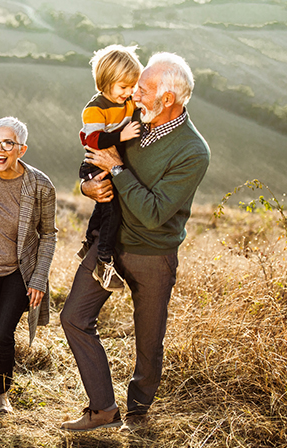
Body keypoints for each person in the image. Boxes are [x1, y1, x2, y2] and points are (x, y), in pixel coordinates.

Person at [60, 52, 210, 432]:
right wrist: (88, 186)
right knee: (74, 317)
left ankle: (138, 411)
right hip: (108, 243)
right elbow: (95, 156)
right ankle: (103, 409)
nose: (134, 96)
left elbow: (154, 212)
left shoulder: (192, 151)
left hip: (152, 254)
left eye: (142, 90)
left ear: (168, 99)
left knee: (148, 340)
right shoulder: (133, 121)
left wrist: (117, 168)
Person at [0, 116, 57, 413]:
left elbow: (49, 234)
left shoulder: (40, 185)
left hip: (20, 271)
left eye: (8, 143)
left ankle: (0, 392)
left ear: (22, 149)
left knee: (2, 332)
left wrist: (39, 278)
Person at [77, 44, 143, 292]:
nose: (128, 92)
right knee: (112, 210)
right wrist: (121, 136)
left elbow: (137, 108)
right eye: (123, 87)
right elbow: (92, 140)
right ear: (105, 82)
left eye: (132, 87)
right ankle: (103, 261)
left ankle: (88, 243)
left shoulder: (125, 101)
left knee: (104, 207)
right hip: (94, 164)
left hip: (108, 160)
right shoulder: (95, 108)